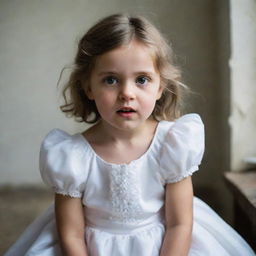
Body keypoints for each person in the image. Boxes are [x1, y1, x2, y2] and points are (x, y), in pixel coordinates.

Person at [5, 14, 255, 256]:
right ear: (88, 87)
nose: (127, 93)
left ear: (160, 87)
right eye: (111, 80)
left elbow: (179, 224)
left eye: (142, 79)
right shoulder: (71, 156)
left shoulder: (172, 144)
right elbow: (71, 234)